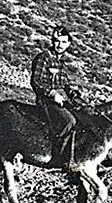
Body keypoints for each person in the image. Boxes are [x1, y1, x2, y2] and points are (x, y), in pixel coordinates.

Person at [31, 26, 80, 158]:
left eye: (64, 42)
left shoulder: (61, 63)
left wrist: (73, 93)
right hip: (46, 101)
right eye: (57, 41)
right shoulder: (43, 58)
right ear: (52, 41)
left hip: (62, 101)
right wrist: (52, 93)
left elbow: (65, 84)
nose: (60, 45)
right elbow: (36, 81)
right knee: (69, 121)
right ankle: (60, 156)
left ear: (69, 43)